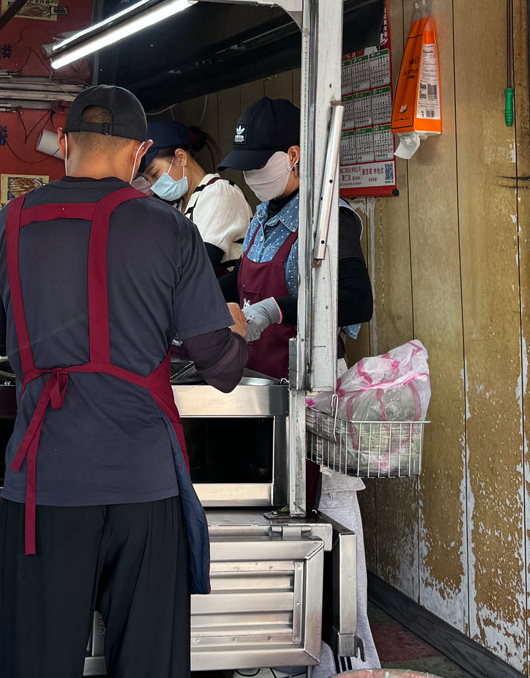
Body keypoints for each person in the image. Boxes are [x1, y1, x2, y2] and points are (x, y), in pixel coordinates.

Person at [0, 86, 249, 678]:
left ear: (67, 143)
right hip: (142, 485)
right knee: (148, 664)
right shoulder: (169, 227)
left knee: (35, 663)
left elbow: (2, 341)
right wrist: (240, 331)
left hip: (44, 483)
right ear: (139, 152)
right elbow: (219, 365)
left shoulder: (12, 221)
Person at [217, 96, 380, 677]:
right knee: (276, 518)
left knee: (330, 517)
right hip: (263, 391)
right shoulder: (263, 215)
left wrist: (268, 310)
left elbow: (355, 300)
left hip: (313, 393)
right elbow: (239, 279)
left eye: (263, 162)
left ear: (295, 156)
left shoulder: (332, 219)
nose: (253, 174)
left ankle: (348, 656)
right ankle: (274, 648)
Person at [137, 119, 252, 273]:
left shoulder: (218, 192)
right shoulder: (179, 207)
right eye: (147, 179)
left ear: (180, 157)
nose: (152, 184)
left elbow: (198, 268)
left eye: (154, 174)